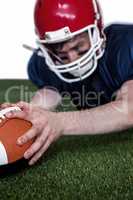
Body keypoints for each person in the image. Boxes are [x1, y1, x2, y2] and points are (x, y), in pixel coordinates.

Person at [3, 0, 133, 165]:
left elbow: (129, 109)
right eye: (62, 55)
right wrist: (28, 113)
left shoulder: (125, 46)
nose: (72, 60)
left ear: (97, 30)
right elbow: (49, 91)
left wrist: (60, 121)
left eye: (79, 47)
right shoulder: (42, 63)